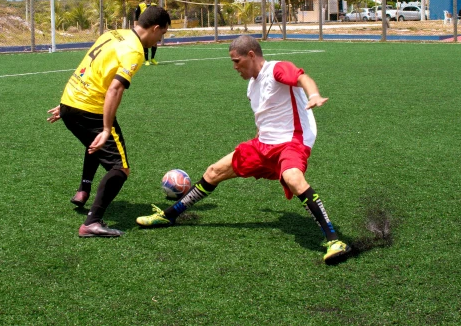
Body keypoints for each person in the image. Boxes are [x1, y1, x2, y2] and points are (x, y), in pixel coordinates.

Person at [136, 35, 351, 264]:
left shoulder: (277, 69)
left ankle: (335, 241)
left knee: (293, 178)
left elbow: (302, 77)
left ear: (251, 55)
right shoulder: (252, 85)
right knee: (213, 172)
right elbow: (267, 115)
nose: (234, 66)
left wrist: (314, 95)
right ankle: (169, 216)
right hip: (263, 144)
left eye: (236, 61)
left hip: (292, 141)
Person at [47, 6, 171, 238]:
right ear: (155, 29)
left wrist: (65, 105)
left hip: (71, 101)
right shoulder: (135, 51)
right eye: (161, 35)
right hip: (88, 109)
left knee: (95, 143)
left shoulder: (112, 34)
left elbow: (86, 67)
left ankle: (83, 190)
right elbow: (115, 89)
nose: (159, 41)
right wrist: (106, 128)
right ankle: (92, 222)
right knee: (120, 168)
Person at [135, 0, 159, 66]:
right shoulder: (140, 5)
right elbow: (136, 16)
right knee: (145, 43)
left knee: (154, 43)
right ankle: (146, 60)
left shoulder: (154, 5)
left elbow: (157, 15)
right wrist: (135, 26)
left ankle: (152, 58)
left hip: (152, 26)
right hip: (144, 26)